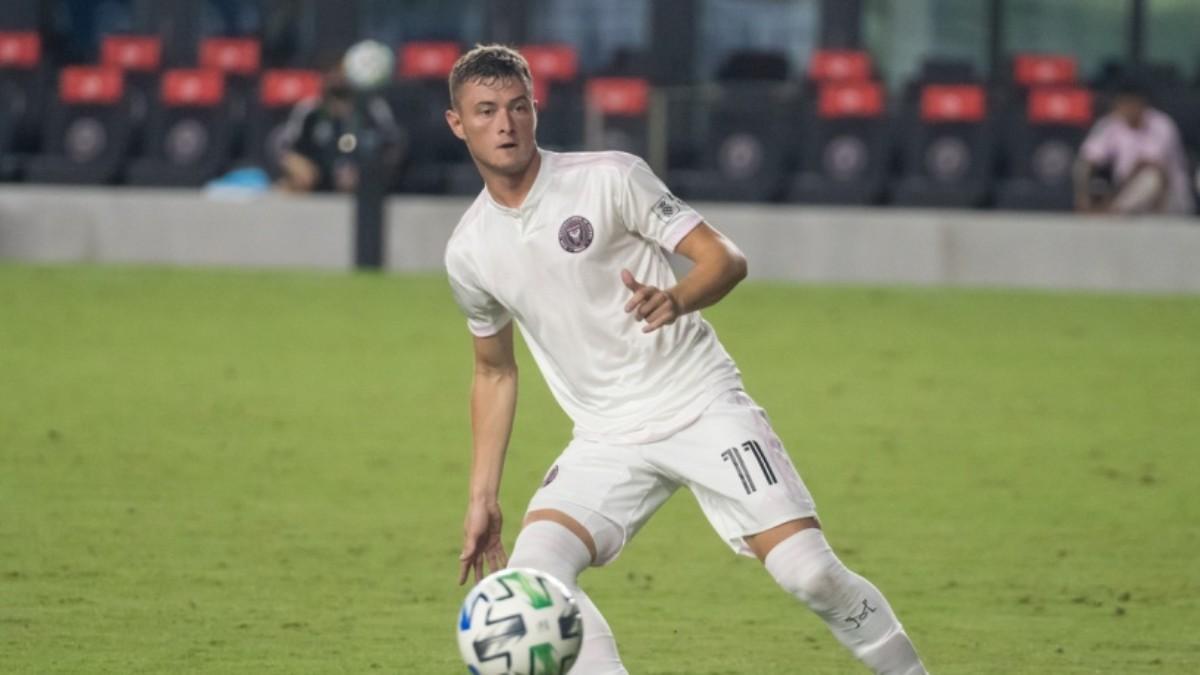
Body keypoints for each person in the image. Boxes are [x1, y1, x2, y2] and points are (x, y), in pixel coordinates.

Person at [444, 44, 928, 675]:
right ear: (458, 124)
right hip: (606, 437)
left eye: (517, 107)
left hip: (700, 403)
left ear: (536, 108)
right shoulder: (469, 250)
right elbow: (494, 370)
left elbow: (725, 258)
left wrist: (676, 298)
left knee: (809, 574)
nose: (504, 124)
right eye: (485, 112)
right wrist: (483, 494)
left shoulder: (609, 176)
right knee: (537, 576)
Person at [276, 57, 403, 193]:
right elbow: (283, 146)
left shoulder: (372, 108)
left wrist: (369, 171)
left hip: (362, 184)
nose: (337, 78)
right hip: (317, 181)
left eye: (342, 73)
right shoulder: (309, 111)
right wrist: (296, 164)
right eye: (331, 73)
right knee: (290, 184)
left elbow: (394, 145)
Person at [1074, 76, 1195, 215]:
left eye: (1132, 104)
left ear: (1142, 104)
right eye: (1123, 103)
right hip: (1125, 193)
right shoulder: (1111, 123)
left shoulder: (1162, 124)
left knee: (1150, 178)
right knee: (1081, 167)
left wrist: (1112, 200)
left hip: (1169, 198)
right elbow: (1088, 159)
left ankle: (1111, 213)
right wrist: (1084, 196)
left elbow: (1151, 167)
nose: (1128, 109)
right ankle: (1092, 211)